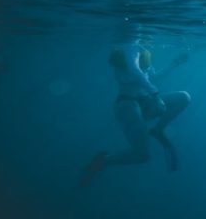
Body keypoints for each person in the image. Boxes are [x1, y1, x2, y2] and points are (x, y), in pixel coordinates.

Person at [81, 40, 190, 186]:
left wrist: (174, 64)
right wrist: (156, 95)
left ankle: (157, 130)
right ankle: (103, 161)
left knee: (183, 97)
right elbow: (135, 71)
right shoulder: (130, 48)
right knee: (141, 155)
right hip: (127, 105)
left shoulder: (140, 51)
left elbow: (151, 77)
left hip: (146, 101)